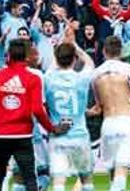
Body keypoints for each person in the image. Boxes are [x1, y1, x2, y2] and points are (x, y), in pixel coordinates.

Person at [0, 38, 67, 191]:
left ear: (8, 55)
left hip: (0, 134)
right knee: (30, 178)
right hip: (23, 135)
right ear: (26, 57)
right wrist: (51, 128)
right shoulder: (33, 78)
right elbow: (37, 109)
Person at [91, 36, 130, 191]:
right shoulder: (127, 68)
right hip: (126, 121)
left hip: (108, 123)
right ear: (121, 51)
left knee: (112, 169)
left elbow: (98, 105)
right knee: (122, 167)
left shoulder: (96, 73)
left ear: (103, 51)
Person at [44, 38, 96, 191]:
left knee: (59, 181)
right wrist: (75, 45)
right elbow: (90, 63)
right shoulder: (82, 78)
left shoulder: (48, 78)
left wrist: (57, 51)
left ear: (56, 59)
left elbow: (50, 68)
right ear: (74, 59)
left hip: (59, 136)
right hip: (79, 135)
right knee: (86, 180)